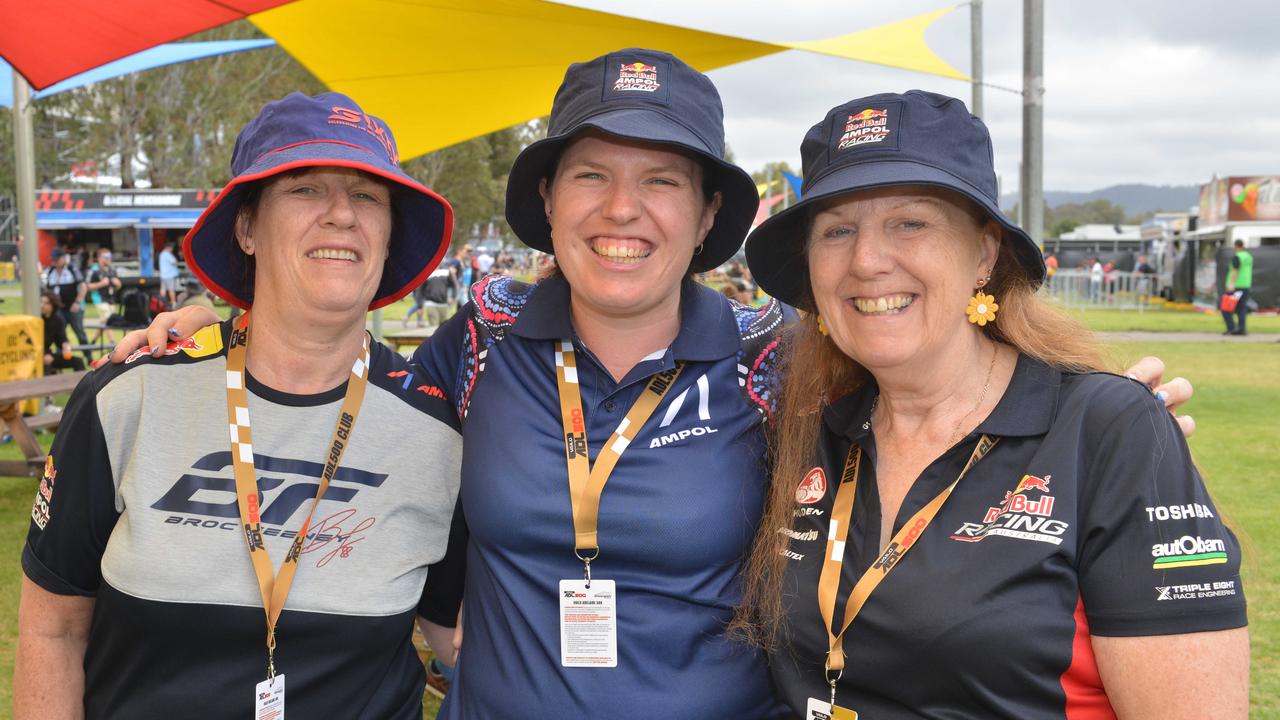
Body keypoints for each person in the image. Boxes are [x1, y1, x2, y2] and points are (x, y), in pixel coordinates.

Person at [113, 58, 1198, 719]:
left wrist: (1096, 404)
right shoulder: (481, 339)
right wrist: (227, 313)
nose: (620, 208)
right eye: (590, 171)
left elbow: (952, 390)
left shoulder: (782, 361)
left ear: (704, 213)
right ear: (548, 200)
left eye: (660, 179)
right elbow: (343, 379)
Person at [740, 90, 1248, 719]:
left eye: (910, 222)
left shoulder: (1110, 429)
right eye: (838, 230)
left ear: (984, 254)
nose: (867, 260)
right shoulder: (808, 432)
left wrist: (1133, 432)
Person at [15, 91, 465, 719]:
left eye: (367, 196)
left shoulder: (437, 429)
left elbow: (464, 639)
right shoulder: (129, 397)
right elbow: (52, 632)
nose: (342, 215)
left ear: (390, 236)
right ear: (247, 227)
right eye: (306, 189)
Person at [43, 247, 91, 363]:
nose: (54, 262)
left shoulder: (72, 269)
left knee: (80, 333)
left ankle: (88, 357)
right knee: (60, 334)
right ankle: (61, 359)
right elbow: (45, 289)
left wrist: (77, 302)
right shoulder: (50, 271)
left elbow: (83, 287)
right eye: (53, 259)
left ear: (63, 258)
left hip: (73, 308)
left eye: (56, 259)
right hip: (58, 310)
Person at [39, 291, 86, 375]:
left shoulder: (58, 320)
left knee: (78, 362)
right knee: (46, 368)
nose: (42, 305)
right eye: (41, 302)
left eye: (46, 303)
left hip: (49, 355)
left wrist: (65, 344)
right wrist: (43, 355)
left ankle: (82, 386)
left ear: (53, 305)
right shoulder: (37, 319)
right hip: (35, 356)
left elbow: (61, 339)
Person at [1223, 239, 1253, 336]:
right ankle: (1241, 329)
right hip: (1246, 285)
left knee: (1226, 307)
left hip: (1236, 286)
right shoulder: (1249, 256)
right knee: (1241, 308)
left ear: (1236, 246)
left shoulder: (1238, 256)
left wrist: (1231, 284)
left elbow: (1235, 270)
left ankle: (1231, 328)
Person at [85, 248, 122, 321]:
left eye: (110, 257)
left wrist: (118, 284)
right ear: (99, 258)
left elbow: (118, 286)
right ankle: (112, 333)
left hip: (111, 299)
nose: (109, 259)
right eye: (106, 257)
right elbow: (87, 287)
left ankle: (97, 332)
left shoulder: (112, 270)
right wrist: (101, 284)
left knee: (103, 323)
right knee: (108, 321)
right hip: (99, 299)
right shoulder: (94, 270)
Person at [157, 240, 180, 307]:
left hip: (163, 275)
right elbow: (175, 262)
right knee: (171, 289)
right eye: (171, 248)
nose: (172, 250)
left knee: (163, 289)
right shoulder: (167, 254)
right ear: (168, 247)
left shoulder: (162, 254)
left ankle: (161, 303)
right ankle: (174, 303)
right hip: (169, 275)